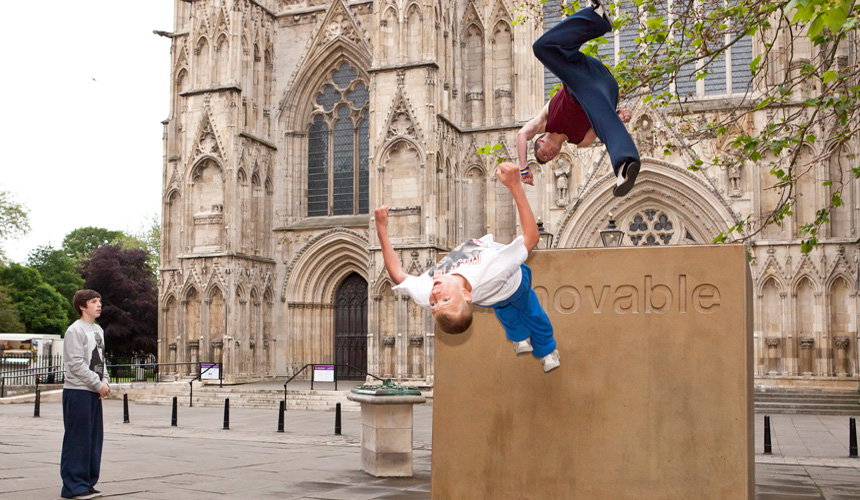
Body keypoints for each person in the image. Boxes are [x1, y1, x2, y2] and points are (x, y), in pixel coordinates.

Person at [375, 162, 560, 372]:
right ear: (465, 294)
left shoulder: (426, 291)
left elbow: (397, 274)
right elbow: (531, 238)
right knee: (530, 311)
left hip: (491, 297)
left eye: (434, 305)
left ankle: (520, 338)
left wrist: (381, 229)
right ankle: (547, 351)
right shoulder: (491, 270)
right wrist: (515, 185)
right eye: (446, 299)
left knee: (504, 311)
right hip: (516, 283)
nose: (435, 296)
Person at [517, 0, 641, 197]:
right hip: (604, 89)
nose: (549, 155)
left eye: (543, 153)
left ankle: (596, 19)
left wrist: (524, 168)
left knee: (541, 48)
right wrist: (617, 116)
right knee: (600, 119)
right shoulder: (581, 141)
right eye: (549, 158)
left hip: (581, 74)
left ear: (540, 139)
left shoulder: (544, 121)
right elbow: (602, 126)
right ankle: (625, 164)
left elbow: (521, 135)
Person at [60, 289, 109, 500]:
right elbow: (76, 364)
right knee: (77, 439)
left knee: (93, 440)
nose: (99, 305)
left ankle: (87, 483)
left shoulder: (98, 330)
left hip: (93, 391)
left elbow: (101, 360)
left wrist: (104, 381)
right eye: (94, 301)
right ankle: (73, 487)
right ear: (82, 306)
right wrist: (97, 384)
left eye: (99, 301)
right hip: (78, 391)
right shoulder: (75, 330)